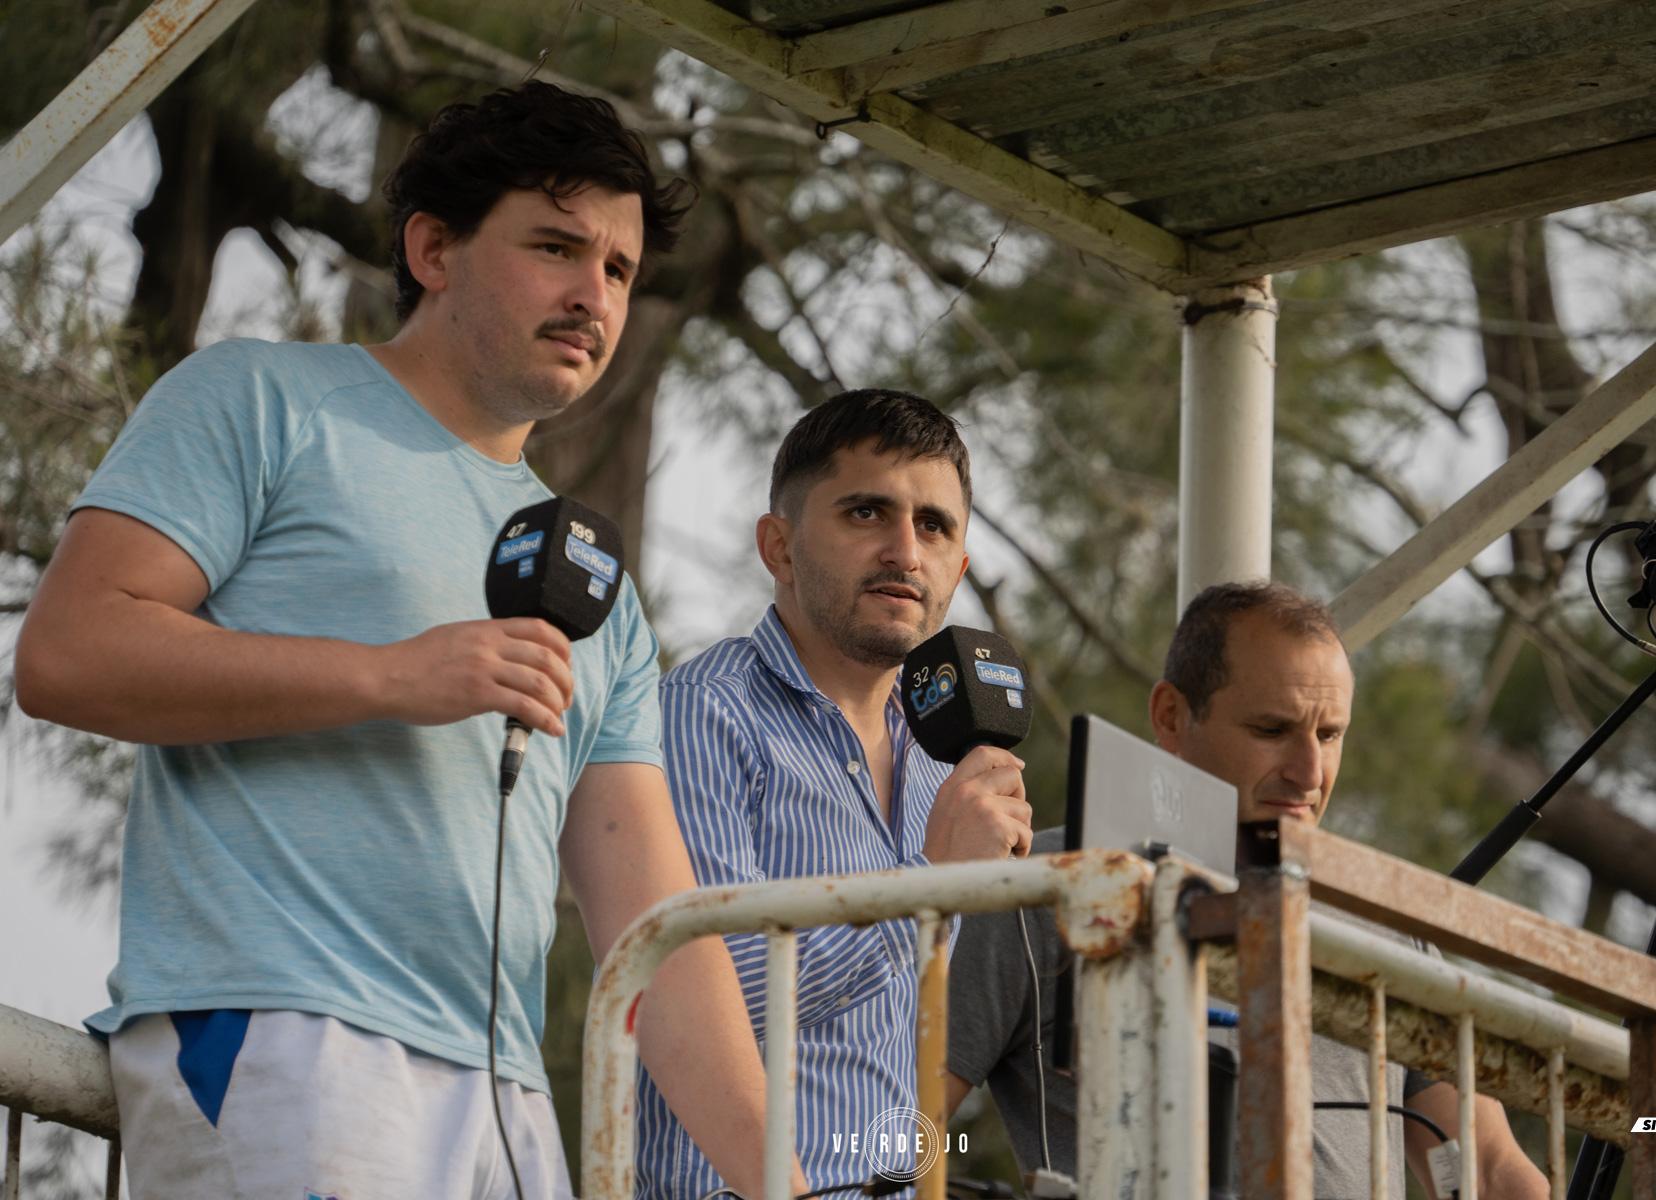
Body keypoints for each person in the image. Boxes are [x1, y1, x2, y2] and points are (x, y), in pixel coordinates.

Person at [16, 83, 794, 1200]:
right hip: (289, 1036)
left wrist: (787, 1183)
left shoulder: (598, 588)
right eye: (557, 248)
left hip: (507, 1100)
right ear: (434, 248)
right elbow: (68, 653)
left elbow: (656, 933)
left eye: (619, 270)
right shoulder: (259, 399)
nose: (594, 295)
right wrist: (391, 675)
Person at [945, 581, 1549, 1200]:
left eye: (1330, 734)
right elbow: (903, 1129)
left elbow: (1494, 1170)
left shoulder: (1385, 926)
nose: (1310, 773)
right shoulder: (1046, 884)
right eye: (1272, 728)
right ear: (1171, 716)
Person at [637, 390, 1033, 1199]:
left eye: (934, 526)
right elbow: (703, 1003)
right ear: (777, 547)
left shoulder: (946, 757)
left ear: (958, 569)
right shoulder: (700, 715)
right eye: (865, 513)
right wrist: (928, 888)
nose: (903, 551)